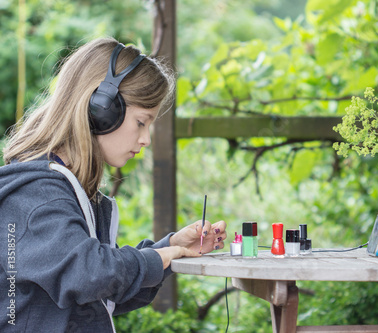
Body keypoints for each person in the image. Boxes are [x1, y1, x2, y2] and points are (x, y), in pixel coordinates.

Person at [0, 37, 226, 332]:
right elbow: (89, 275)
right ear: (101, 109)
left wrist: (169, 247)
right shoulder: (36, 193)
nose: (145, 139)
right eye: (142, 122)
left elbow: (103, 294)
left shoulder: (66, 190)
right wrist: (156, 259)